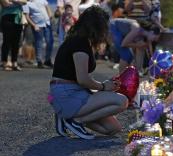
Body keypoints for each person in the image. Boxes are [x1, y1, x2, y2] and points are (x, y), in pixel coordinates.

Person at [49, 6, 128, 139]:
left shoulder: (81, 40)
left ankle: (68, 117)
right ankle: (75, 120)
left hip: (72, 92)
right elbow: (83, 79)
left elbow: (80, 80)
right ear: (97, 26)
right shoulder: (79, 42)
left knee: (113, 129)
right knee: (122, 101)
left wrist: (104, 87)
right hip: (66, 94)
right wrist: (103, 87)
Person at [23, 0, 54, 68]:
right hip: (38, 25)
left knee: (50, 41)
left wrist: (50, 17)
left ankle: (47, 60)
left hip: (47, 24)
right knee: (39, 43)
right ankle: (39, 61)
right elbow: (27, 16)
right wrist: (34, 25)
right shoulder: (26, 3)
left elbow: (48, 8)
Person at [0, 0, 27, 71]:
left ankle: (14, 62)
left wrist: (13, 1)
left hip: (18, 18)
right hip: (7, 18)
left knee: (16, 42)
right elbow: (6, 4)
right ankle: (4, 62)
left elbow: (25, 2)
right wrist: (18, 3)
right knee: (7, 41)